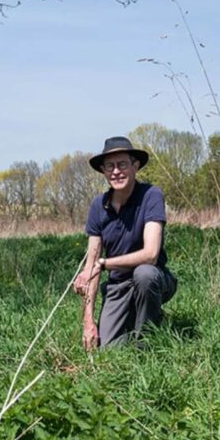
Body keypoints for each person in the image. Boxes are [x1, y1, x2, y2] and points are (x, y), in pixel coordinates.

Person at [72, 136, 177, 350]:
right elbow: (91, 265)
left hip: (153, 278)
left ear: (135, 166)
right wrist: (88, 322)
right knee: (108, 349)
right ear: (103, 171)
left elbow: (151, 254)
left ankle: (148, 341)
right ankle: (141, 318)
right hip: (118, 286)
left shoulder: (151, 195)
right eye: (110, 166)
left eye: (122, 164)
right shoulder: (98, 206)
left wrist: (105, 264)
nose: (116, 171)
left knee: (144, 274)